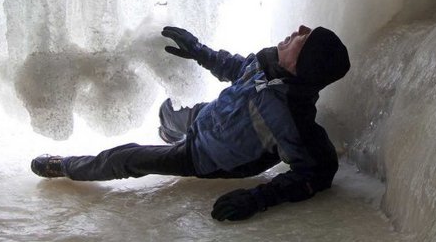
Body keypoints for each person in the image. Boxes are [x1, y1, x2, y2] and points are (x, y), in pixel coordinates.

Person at [31, 24, 351, 221]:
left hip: (204, 156)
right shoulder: (266, 65)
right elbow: (236, 67)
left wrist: (258, 198)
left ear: (301, 63)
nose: (298, 30)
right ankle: (169, 129)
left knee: (128, 157)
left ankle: (67, 166)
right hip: (207, 117)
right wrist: (200, 52)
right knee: (169, 111)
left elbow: (317, 172)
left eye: (304, 38)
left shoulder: (290, 116)